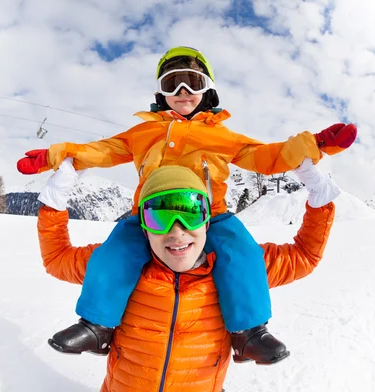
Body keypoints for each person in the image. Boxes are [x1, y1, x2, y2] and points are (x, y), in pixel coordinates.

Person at [18, 46, 357, 364]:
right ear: (160, 92)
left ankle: (249, 331)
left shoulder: (222, 136)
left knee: (243, 254)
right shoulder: (143, 132)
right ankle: (97, 324)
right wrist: (55, 155)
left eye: (192, 82)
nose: (182, 91)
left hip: (210, 215)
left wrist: (315, 144)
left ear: (207, 89)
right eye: (172, 83)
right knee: (116, 250)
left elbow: (267, 156)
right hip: (150, 214)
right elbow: (101, 150)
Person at [37, 159, 339, 391]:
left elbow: (304, 255)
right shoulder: (118, 268)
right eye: (159, 217)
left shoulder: (238, 271)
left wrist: (319, 195)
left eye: (190, 213)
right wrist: (55, 197)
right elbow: (57, 259)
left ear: (207, 221)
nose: (177, 232)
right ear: (143, 227)